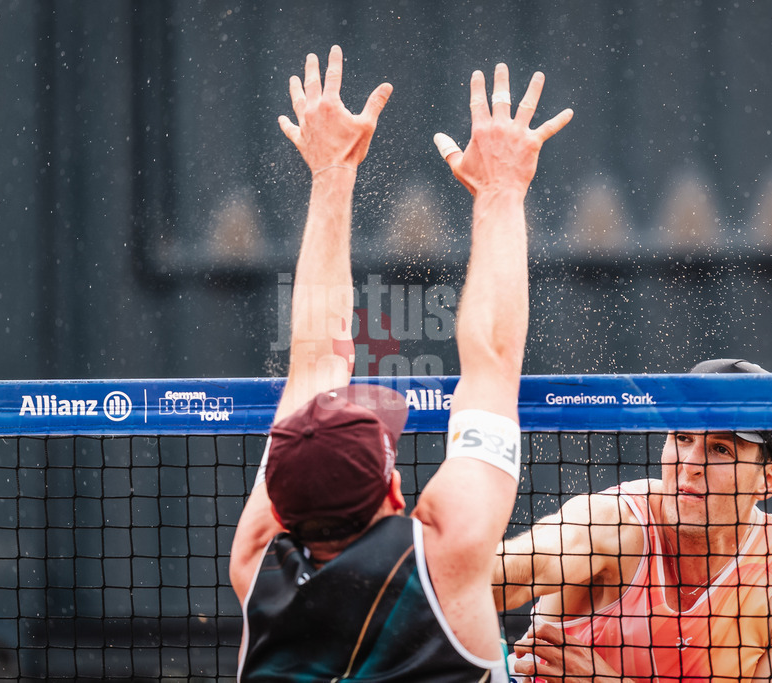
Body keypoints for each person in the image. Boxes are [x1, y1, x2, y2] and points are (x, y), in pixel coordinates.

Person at [228, 45, 572, 681]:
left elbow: (313, 365)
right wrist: (499, 190)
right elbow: (489, 357)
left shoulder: (253, 568)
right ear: (393, 490)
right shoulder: (445, 554)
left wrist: (332, 175)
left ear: (277, 504)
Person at [496, 358, 772, 683]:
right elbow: (514, 572)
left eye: (721, 449)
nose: (689, 464)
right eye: (682, 437)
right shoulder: (609, 523)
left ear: (768, 479)